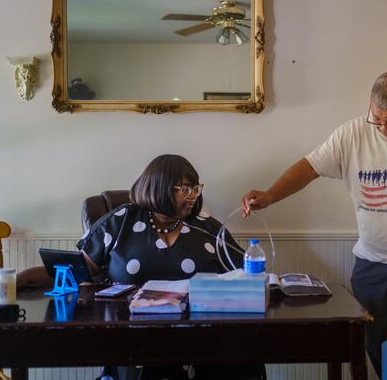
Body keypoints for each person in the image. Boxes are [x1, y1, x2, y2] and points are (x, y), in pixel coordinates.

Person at [241, 71, 387, 377]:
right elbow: (309, 167)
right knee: (375, 336)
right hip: (372, 257)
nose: (383, 127)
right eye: (377, 118)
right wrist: (270, 195)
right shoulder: (351, 134)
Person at [18, 154, 266, 380]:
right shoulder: (121, 221)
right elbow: (74, 270)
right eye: (185, 189)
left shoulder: (207, 228)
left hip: (198, 341)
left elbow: (247, 274)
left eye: (196, 188)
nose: (193, 195)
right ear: (159, 188)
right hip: (131, 341)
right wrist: (22, 279)